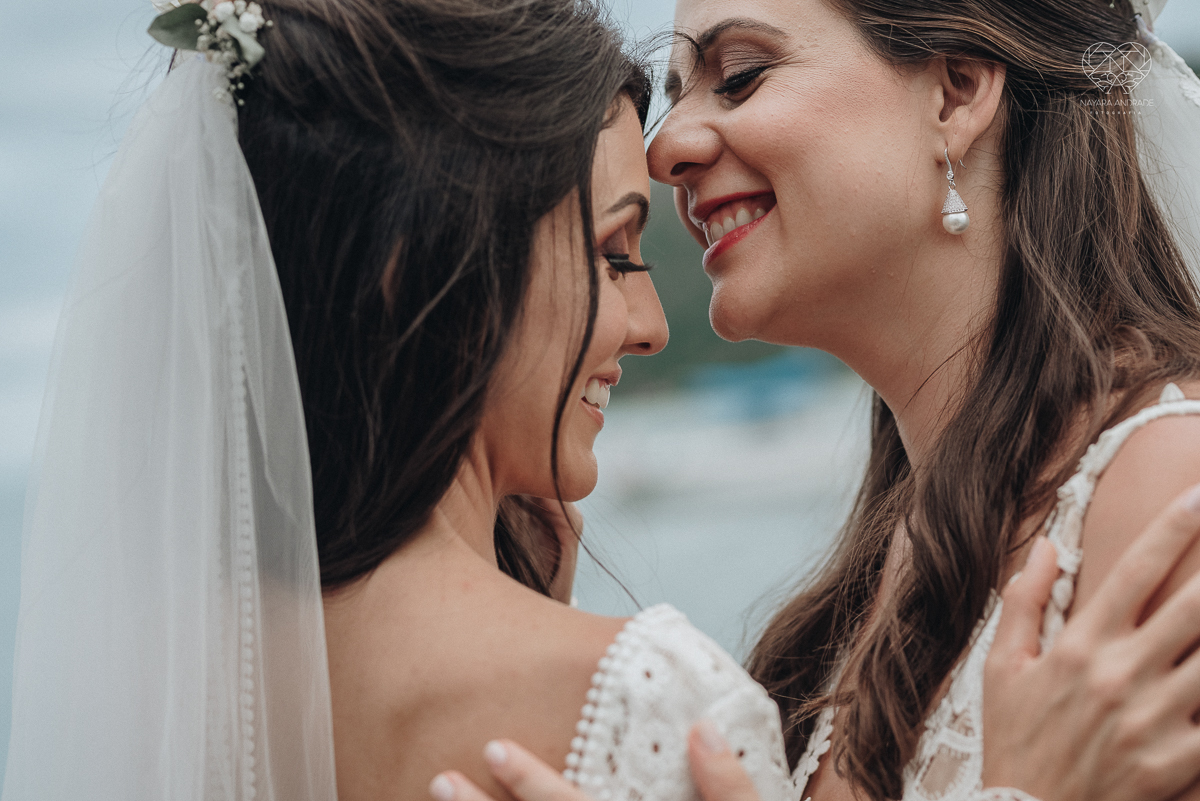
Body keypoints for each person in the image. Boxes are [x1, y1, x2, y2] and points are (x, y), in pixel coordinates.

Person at [429, 0, 1200, 799]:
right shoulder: (887, 567)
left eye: (739, 76)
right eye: (676, 94)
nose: (664, 149)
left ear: (957, 92)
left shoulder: (1167, 492)